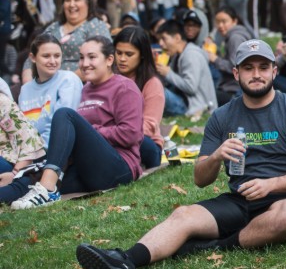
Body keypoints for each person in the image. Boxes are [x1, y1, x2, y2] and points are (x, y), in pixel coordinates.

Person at [75, 39, 286, 269]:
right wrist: (216, 156)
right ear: (236, 73)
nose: (256, 74)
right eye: (248, 68)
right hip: (242, 200)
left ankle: (217, 245)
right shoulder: (222, 116)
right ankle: (124, 260)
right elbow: (200, 179)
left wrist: (271, 185)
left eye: (263, 67)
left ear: (274, 71)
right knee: (184, 215)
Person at [11, 36, 143, 209]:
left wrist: (93, 131)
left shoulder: (124, 87)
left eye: (92, 57)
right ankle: (39, 188)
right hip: (87, 167)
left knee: (65, 114)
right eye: (81, 57)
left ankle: (46, 189)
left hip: (119, 167)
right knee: (28, 182)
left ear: (109, 59)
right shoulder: (86, 89)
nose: (84, 63)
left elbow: (131, 134)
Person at [4, 34, 83, 203]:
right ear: (33, 57)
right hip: (26, 155)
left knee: (20, 185)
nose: (53, 61)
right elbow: (24, 131)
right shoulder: (26, 90)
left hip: (53, 155)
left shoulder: (69, 79)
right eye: (46, 56)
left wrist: (31, 157)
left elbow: (64, 126)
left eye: (57, 55)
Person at [21, 0, 112, 83]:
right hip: (43, 86)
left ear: (88, 4)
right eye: (68, 0)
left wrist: (60, 84)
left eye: (77, 0)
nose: (72, 4)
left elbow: (99, 61)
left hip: (80, 86)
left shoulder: (96, 26)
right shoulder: (53, 28)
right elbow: (33, 57)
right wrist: (28, 85)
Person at [113, 27, 169, 170]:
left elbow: (150, 125)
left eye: (129, 54)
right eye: (119, 53)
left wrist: (117, 133)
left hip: (145, 144)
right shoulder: (108, 79)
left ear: (142, 55)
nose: (122, 59)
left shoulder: (152, 83)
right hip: (112, 138)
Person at [156, 20, 217, 118]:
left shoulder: (190, 55)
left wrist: (168, 73)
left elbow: (191, 87)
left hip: (195, 107)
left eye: (164, 39)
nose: (161, 44)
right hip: (185, 101)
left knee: (157, 90)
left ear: (177, 38)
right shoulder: (178, 55)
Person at [210, 6, 255, 105]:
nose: (220, 25)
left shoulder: (235, 38)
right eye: (217, 22)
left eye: (224, 21)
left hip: (235, 90)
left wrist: (215, 59)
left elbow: (235, 67)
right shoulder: (235, 35)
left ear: (234, 21)